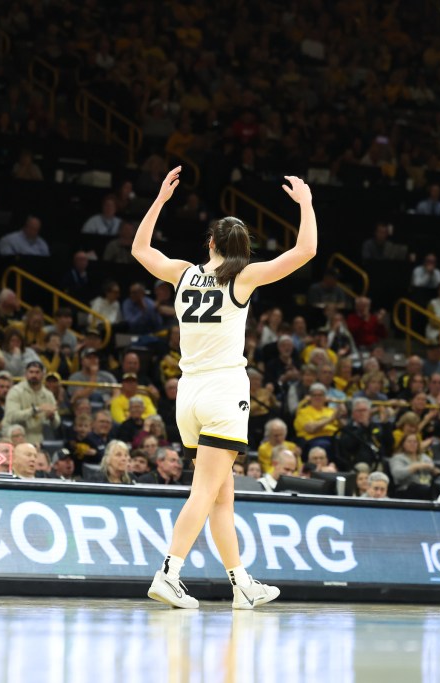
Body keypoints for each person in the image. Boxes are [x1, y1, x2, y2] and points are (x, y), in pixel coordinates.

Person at [135, 167, 316, 610]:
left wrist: (159, 200)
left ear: (210, 244)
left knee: (221, 493)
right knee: (205, 491)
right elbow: (306, 250)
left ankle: (240, 585)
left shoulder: (180, 273)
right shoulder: (244, 277)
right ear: (243, 251)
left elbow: (140, 248)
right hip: (223, 392)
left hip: (188, 394)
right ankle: (169, 572)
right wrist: (307, 204)